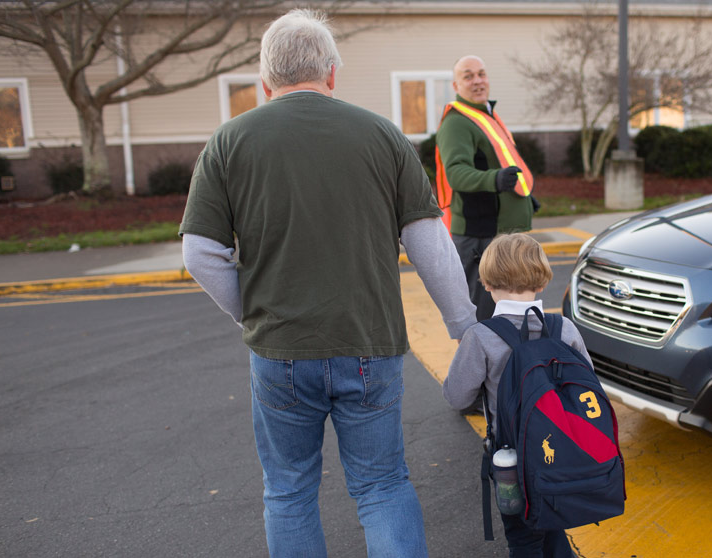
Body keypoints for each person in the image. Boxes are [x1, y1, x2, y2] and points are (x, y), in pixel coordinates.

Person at [179, 9, 476, 558]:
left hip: (280, 350)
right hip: (370, 344)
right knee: (382, 486)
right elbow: (430, 244)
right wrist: (464, 326)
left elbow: (200, 253)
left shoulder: (229, 141)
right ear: (332, 74)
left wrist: (253, 311)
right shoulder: (383, 136)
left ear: (265, 82)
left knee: (289, 492)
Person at [442, 233, 590, 558]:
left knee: (523, 540)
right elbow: (588, 388)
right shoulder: (564, 328)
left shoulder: (481, 337)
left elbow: (456, 397)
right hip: (561, 454)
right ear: (541, 281)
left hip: (511, 460)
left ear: (486, 282)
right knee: (552, 526)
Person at [435, 55, 537, 323]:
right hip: (481, 237)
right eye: (468, 76)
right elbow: (456, 174)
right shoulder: (457, 122)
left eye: (481, 74)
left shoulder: (485, 116)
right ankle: (481, 366)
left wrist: (525, 200)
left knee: (507, 318)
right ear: (456, 85)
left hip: (499, 236)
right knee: (483, 321)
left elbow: (504, 163)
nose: (477, 80)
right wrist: (495, 180)